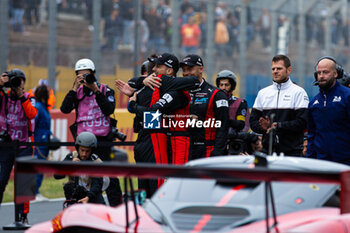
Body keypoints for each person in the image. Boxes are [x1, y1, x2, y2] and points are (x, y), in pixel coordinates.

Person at [115, 53, 200, 196]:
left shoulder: (169, 86)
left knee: (160, 184)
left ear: (169, 71)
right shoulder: (151, 85)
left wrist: (134, 105)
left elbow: (153, 113)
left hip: (165, 138)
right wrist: (138, 87)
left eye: (158, 66)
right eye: (153, 66)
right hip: (145, 137)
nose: (153, 69)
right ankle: (143, 215)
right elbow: (132, 85)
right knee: (143, 185)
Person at [60, 58, 122, 206]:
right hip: (83, 142)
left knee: (110, 178)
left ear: (94, 74)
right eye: (80, 76)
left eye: (87, 75)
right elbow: (64, 109)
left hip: (102, 141)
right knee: (82, 179)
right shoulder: (77, 92)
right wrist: (74, 88)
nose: (85, 79)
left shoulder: (105, 90)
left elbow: (109, 109)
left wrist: (95, 89)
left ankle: (116, 211)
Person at [250, 54, 308, 156]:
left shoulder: (299, 92)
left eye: (279, 68)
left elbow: (303, 122)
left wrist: (279, 126)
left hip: (292, 152)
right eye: (273, 69)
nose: (275, 71)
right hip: (267, 151)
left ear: (289, 70)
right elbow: (253, 122)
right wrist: (263, 128)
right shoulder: (263, 93)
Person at [0, 68, 38, 224]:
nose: (16, 84)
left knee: (24, 181)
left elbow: (32, 114)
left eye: (19, 81)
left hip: (24, 145)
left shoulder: (30, 97)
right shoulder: (3, 96)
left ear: (24, 82)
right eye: (13, 80)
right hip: (6, 144)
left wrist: (22, 96)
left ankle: (23, 215)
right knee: (1, 179)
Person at [180, 54, 229, 159]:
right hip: (182, 149)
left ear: (201, 69)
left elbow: (223, 127)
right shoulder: (178, 93)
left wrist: (217, 152)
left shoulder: (217, 94)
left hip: (207, 150)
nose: (186, 73)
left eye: (190, 69)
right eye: (184, 70)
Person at [306, 57, 350, 165]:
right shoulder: (313, 104)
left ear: (335, 74)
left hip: (345, 162)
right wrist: (310, 160)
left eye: (325, 72)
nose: (321, 76)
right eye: (319, 73)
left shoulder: (347, 96)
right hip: (321, 163)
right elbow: (312, 135)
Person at [54, 132, 106, 205]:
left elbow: (97, 185)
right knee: (68, 186)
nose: (84, 154)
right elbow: (56, 175)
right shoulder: (71, 157)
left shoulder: (96, 162)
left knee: (102, 211)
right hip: (76, 193)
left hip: (92, 194)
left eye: (87, 151)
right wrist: (69, 166)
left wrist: (88, 197)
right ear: (78, 148)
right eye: (82, 150)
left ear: (92, 150)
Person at [34, 85, 51, 201]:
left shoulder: (44, 107)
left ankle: (36, 190)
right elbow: (34, 123)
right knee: (38, 166)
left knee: (42, 165)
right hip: (40, 140)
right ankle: (34, 191)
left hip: (45, 139)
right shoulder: (38, 107)